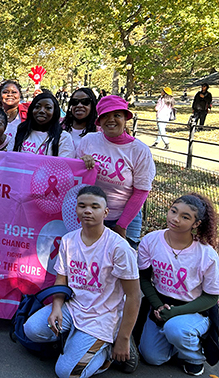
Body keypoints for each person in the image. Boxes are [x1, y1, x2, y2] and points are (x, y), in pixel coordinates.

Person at [23, 186, 141, 378]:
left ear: (105, 212)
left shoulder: (119, 247)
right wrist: (56, 308)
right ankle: (77, 343)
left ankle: (106, 350)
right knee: (31, 330)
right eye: (82, 206)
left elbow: (134, 295)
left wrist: (123, 338)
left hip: (102, 316)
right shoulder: (68, 240)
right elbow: (61, 279)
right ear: (76, 209)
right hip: (74, 308)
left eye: (94, 206)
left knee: (65, 373)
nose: (87, 210)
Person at [137, 194, 219, 376]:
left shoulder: (207, 254)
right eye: (173, 211)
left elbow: (212, 297)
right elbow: (144, 278)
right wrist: (158, 306)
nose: (175, 219)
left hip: (194, 309)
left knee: (175, 328)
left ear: (196, 224)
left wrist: (175, 313)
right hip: (161, 304)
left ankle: (195, 357)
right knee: (152, 357)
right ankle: (178, 342)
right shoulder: (150, 240)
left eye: (185, 217)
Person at [77, 95, 156, 249]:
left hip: (125, 218)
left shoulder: (139, 151)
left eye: (117, 115)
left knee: (122, 261)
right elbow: (75, 177)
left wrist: (121, 225)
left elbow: (141, 191)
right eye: (105, 116)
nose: (111, 120)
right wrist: (82, 163)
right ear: (99, 120)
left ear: (125, 118)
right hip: (91, 215)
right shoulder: (88, 141)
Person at [10, 92, 75, 157]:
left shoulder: (63, 137)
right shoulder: (19, 130)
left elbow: (65, 162)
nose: (41, 111)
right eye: (37, 107)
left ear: (55, 112)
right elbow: (9, 156)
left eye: (48, 108)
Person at [0, 80, 28, 145]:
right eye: (5, 92)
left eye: (14, 92)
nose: (9, 94)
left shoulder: (27, 113)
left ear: (20, 95)